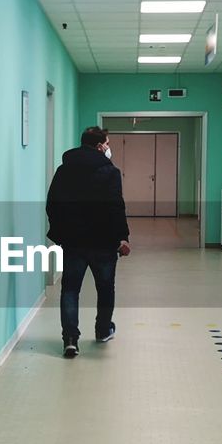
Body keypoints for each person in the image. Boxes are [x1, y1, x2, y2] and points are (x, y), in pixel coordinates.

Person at [45, 126, 131, 357]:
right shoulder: (110, 172)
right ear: (99, 145)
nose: (109, 148)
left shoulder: (64, 171)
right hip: (104, 243)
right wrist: (123, 237)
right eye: (108, 143)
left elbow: (52, 204)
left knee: (71, 289)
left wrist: (60, 234)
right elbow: (116, 207)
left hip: (73, 242)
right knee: (105, 288)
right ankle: (103, 330)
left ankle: (70, 339)